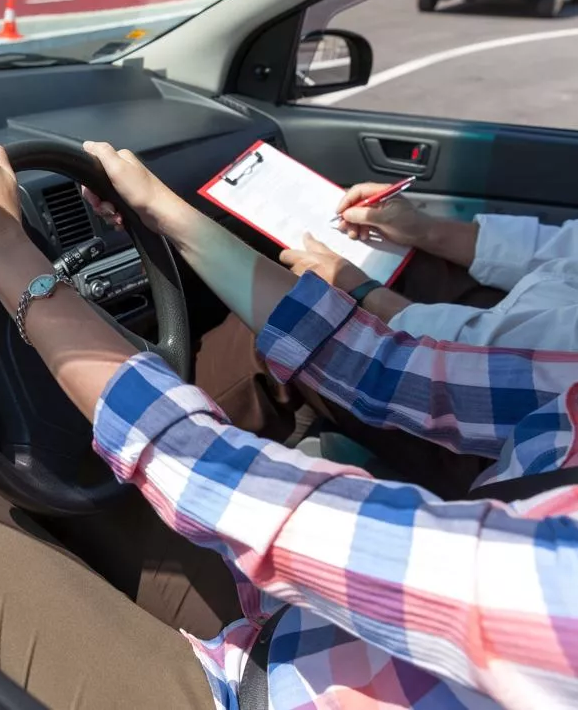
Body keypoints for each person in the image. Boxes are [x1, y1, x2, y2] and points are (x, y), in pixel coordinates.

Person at [0, 138, 578, 710]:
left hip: (267, 684)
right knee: (62, 498)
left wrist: (7, 258)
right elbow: (386, 367)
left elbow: (239, 490)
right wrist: (166, 215)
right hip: (314, 633)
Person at [184, 182, 578, 497]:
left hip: (516, 438)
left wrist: (358, 291)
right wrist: (426, 231)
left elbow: (492, 366)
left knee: (280, 322)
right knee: (388, 266)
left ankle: (176, 449)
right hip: (526, 327)